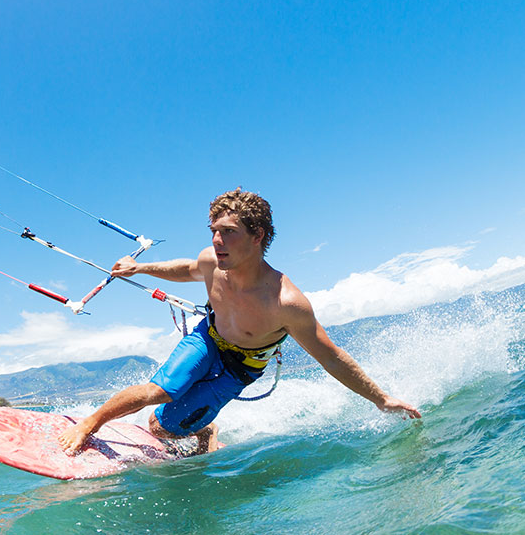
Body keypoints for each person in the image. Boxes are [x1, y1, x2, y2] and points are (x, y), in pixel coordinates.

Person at [58, 188, 421, 456]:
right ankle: (92, 421)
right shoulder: (212, 263)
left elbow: (329, 357)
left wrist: (382, 398)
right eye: (214, 230)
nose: (217, 240)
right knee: (160, 392)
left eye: (229, 231)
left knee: (163, 427)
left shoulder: (286, 302)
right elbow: (186, 269)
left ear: (257, 235)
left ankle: (205, 429)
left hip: (241, 367)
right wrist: (141, 267)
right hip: (208, 338)